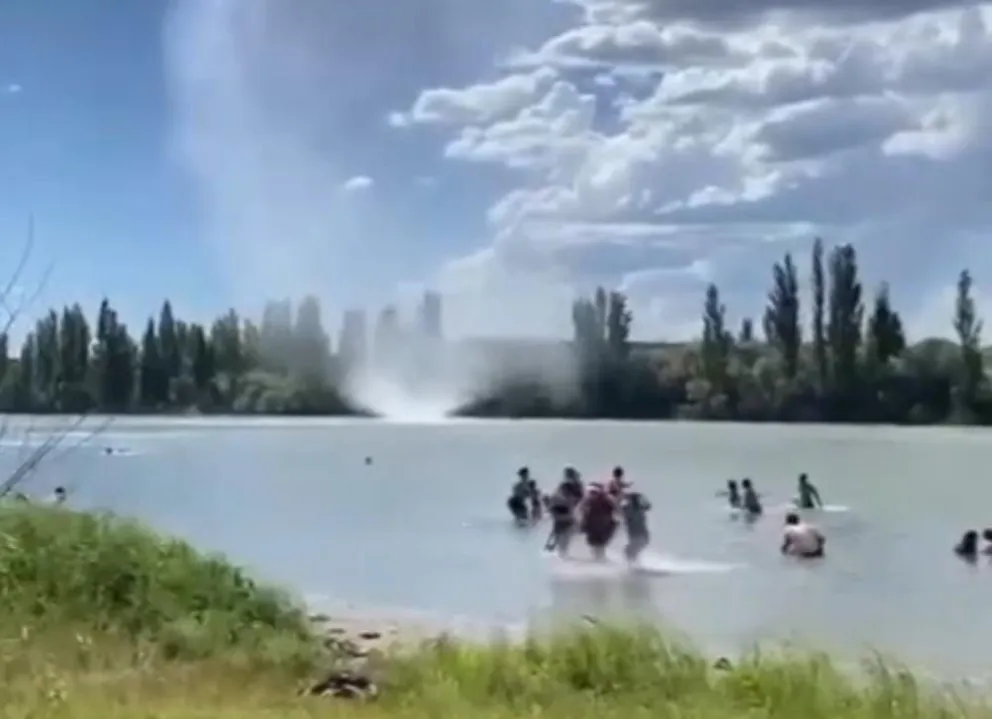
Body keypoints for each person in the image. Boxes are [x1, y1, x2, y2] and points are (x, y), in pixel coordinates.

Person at [580, 483, 618, 560]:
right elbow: (581, 510)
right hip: (593, 526)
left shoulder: (607, 499)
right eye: (591, 492)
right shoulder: (587, 500)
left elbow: (617, 510)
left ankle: (600, 559)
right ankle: (598, 559)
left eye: (595, 492)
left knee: (600, 544)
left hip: (604, 526)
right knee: (594, 544)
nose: (593, 494)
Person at [545, 485, 578, 556]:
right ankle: (557, 551)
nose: (566, 492)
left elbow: (572, 511)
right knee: (557, 537)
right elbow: (552, 511)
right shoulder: (556, 498)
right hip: (560, 522)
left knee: (565, 539)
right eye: (564, 490)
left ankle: (563, 553)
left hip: (567, 523)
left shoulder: (571, 499)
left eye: (567, 491)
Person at [621, 491, 651, 563]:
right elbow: (648, 506)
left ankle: (634, 567)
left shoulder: (631, 510)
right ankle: (635, 566)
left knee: (629, 551)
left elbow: (648, 506)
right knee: (630, 552)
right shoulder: (639, 509)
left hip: (639, 537)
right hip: (642, 536)